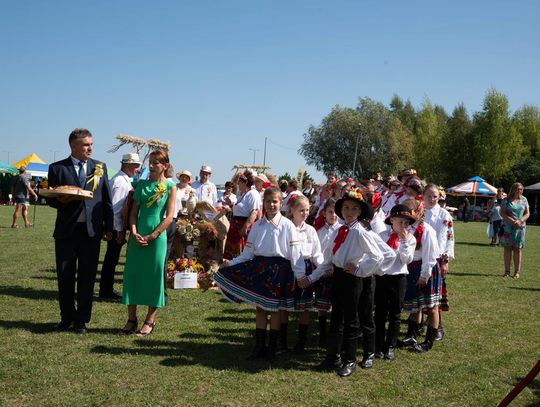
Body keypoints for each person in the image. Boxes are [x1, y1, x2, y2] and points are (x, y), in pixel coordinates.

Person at [214, 187, 307, 361]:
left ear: (281, 203)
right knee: (260, 308)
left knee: (276, 310)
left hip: (279, 270)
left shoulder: (287, 225)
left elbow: (296, 252)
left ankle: (272, 348)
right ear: (263, 203)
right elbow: (248, 253)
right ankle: (259, 346)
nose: (271, 205)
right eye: (268, 201)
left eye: (275, 201)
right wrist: (231, 263)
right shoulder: (257, 225)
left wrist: (300, 274)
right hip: (260, 268)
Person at [47, 128, 113, 333]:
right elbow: (51, 199)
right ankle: (66, 318)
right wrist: (63, 200)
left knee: (87, 277)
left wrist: (109, 227)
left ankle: (82, 320)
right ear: (73, 146)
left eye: (91, 144)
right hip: (66, 231)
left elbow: (107, 200)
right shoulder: (57, 168)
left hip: (91, 232)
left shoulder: (99, 167)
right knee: (65, 276)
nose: (90, 148)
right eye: (86, 144)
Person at [311, 189, 384, 377]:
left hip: (352, 279)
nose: (349, 211)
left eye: (354, 208)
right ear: (341, 210)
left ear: (360, 212)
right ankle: (332, 356)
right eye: (345, 207)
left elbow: (377, 256)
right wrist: (311, 277)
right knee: (336, 317)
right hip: (338, 276)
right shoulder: (339, 230)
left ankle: (350, 360)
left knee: (351, 320)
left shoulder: (361, 232)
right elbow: (328, 258)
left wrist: (360, 270)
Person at [119, 150, 177, 336]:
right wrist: (134, 231)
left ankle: (150, 320)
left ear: (165, 166)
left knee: (154, 277)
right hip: (138, 235)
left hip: (157, 238)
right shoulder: (142, 185)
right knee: (133, 275)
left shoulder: (170, 187)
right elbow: (133, 213)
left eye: (156, 163)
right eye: (150, 162)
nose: (151, 166)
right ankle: (131, 319)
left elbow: (169, 217)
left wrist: (153, 235)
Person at [279, 195, 323, 353]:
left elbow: (316, 253)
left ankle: (301, 343)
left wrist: (324, 266)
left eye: (307, 210)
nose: (304, 213)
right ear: (292, 210)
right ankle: (282, 342)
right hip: (288, 267)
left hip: (306, 267)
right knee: (284, 305)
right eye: (301, 210)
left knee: (304, 307)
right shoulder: (285, 228)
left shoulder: (310, 230)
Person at [375, 204, 416, 361]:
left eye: (406, 223)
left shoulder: (410, 238)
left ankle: (390, 346)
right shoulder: (381, 235)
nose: (404, 225)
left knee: (395, 313)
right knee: (380, 312)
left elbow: (407, 259)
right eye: (400, 222)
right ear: (392, 220)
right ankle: (378, 345)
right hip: (382, 277)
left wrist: (404, 242)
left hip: (398, 278)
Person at [399, 198, 441, 353]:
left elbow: (430, 256)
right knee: (415, 306)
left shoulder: (427, 230)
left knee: (431, 307)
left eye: (409, 210)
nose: (406, 214)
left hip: (426, 268)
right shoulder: (407, 228)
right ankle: (411, 335)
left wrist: (424, 275)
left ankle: (429, 341)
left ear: (419, 210)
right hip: (412, 267)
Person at [99, 153, 141, 300]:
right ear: (127, 166)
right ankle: (106, 290)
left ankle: (106, 289)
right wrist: (118, 230)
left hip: (115, 226)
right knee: (111, 260)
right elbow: (115, 209)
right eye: (135, 166)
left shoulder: (121, 179)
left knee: (111, 259)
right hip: (116, 227)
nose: (137, 169)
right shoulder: (121, 182)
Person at [423, 184, 455, 341]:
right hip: (420, 257)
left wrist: (445, 259)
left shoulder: (444, 215)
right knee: (421, 291)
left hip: (437, 258)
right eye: (429, 195)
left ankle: (438, 325)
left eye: (435, 196)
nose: (432, 199)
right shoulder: (418, 212)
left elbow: (449, 238)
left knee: (436, 293)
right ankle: (420, 323)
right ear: (423, 196)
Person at [314, 198, 341, 347]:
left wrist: (333, 267)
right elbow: (316, 251)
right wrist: (322, 268)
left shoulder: (343, 229)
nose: (334, 215)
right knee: (322, 305)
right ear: (324, 213)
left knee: (335, 305)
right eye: (330, 212)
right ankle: (322, 334)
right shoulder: (319, 231)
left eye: (336, 212)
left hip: (336, 271)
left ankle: (333, 334)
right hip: (323, 271)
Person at [223, 173, 261, 260]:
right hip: (235, 227)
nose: (237, 184)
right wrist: (231, 204)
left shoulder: (253, 194)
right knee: (232, 255)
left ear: (245, 182)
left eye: (239, 182)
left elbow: (254, 212)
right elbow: (239, 211)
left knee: (241, 254)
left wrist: (245, 227)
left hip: (242, 227)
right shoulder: (243, 195)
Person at [500, 182, 529, 279]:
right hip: (508, 228)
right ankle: (507, 271)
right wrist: (512, 220)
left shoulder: (524, 200)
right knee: (507, 249)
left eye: (521, 189)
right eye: (518, 189)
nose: (520, 191)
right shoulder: (506, 200)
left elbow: (527, 213)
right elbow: (502, 213)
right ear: (513, 190)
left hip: (520, 228)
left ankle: (517, 272)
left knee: (518, 249)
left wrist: (520, 220)